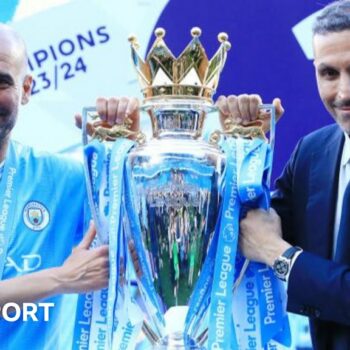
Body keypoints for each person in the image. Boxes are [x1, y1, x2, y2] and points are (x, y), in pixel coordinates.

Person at [217, 1, 350, 349]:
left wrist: (280, 256)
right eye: (329, 73)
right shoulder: (313, 153)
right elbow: (249, 232)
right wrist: (244, 149)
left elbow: (268, 244)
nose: (343, 93)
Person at [0, 23, 139, 349]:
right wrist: (61, 278)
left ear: (27, 88)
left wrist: (126, 154)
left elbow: (136, 255)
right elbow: (72, 276)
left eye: (2, 82)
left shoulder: (65, 181)